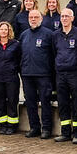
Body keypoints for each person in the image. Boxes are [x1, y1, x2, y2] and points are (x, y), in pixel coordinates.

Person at [18, 9, 55, 139]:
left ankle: (46, 129)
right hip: (27, 74)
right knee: (30, 103)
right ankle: (34, 127)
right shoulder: (23, 35)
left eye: (36, 17)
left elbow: (53, 55)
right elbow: (20, 55)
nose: (33, 19)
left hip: (43, 74)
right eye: (31, 17)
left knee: (45, 102)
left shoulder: (49, 35)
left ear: (41, 19)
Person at [52, 8, 77, 143]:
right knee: (63, 104)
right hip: (60, 74)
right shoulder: (56, 35)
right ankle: (65, 132)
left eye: (67, 16)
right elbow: (54, 52)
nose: (64, 18)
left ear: (72, 18)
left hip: (75, 74)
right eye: (62, 16)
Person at [0, 21, 21, 135]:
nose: (3, 31)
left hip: (11, 78)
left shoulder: (15, 44)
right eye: (1, 29)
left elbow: (19, 59)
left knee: (12, 101)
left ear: (9, 31)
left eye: (6, 29)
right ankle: (2, 124)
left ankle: (12, 125)